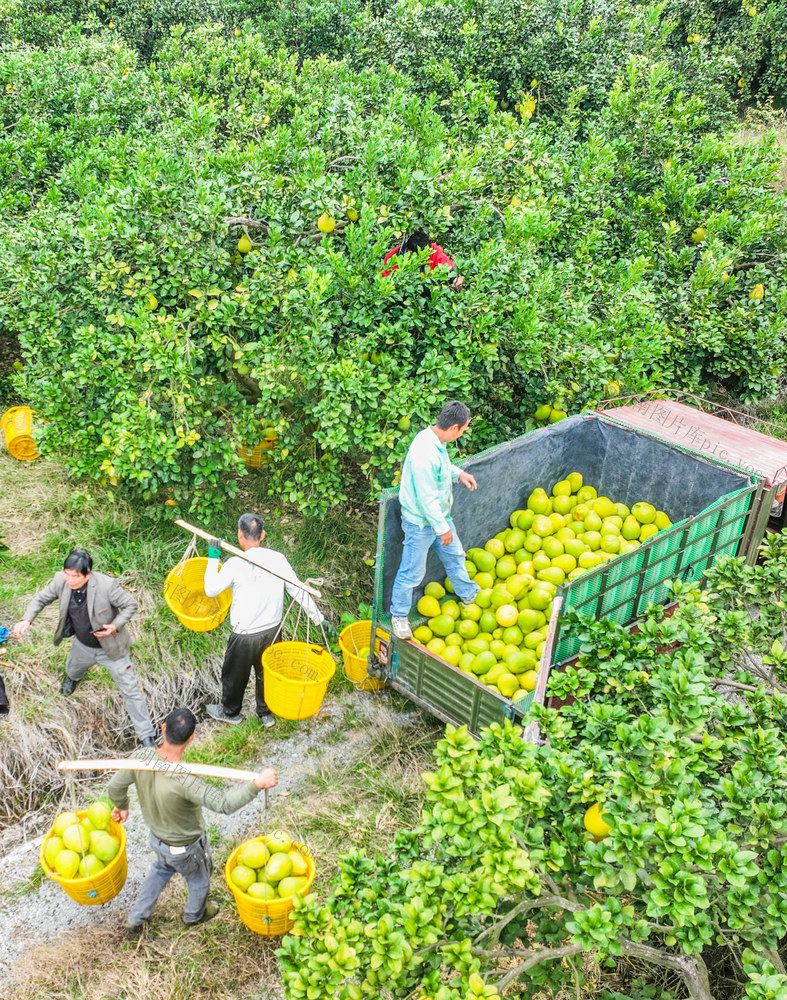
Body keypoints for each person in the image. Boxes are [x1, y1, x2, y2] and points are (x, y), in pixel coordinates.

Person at [108, 707, 278, 933]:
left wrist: (122, 806)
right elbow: (224, 804)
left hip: (157, 840)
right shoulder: (186, 781)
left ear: (163, 728)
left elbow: (114, 786)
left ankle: (136, 918)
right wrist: (257, 784)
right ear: (191, 738)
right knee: (199, 880)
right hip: (186, 849)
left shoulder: (140, 758)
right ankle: (194, 914)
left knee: (159, 871)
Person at [203, 513, 336, 727]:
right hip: (273, 630)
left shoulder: (234, 563)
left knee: (234, 675)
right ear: (262, 534)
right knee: (267, 672)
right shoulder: (277, 559)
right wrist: (318, 618)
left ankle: (230, 712)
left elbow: (210, 590)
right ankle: (265, 713)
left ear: (239, 535)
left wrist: (212, 557)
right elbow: (298, 590)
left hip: (245, 634)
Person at [12, 549, 156, 747]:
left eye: (75, 576)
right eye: (67, 574)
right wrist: (25, 620)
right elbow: (40, 599)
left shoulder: (107, 586)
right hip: (82, 644)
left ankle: (146, 736)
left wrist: (115, 625)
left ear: (88, 574)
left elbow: (130, 606)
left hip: (112, 649)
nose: (70, 580)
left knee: (131, 690)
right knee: (73, 668)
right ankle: (72, 679)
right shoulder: (60, 581)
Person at [389, 400, 479, 640]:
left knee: (455, 556)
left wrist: (459, 474)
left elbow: (442, 468)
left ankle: (470, 596)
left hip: (439, 517)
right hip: (421, 523)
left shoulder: (436, 441)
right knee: (411, 573)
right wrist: (441, 528)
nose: (462, 433)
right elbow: (426, 497)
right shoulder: (423, 454)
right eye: (463, 429)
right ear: (453, 428)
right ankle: (398, 616)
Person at [382, 230, 465, 291]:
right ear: (410, 252)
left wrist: (456, 281)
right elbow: (385, 284)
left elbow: (449, 271)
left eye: (427, 254)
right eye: (422, 255)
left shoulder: (434, 250)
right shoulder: (392, 257)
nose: (426, 258)